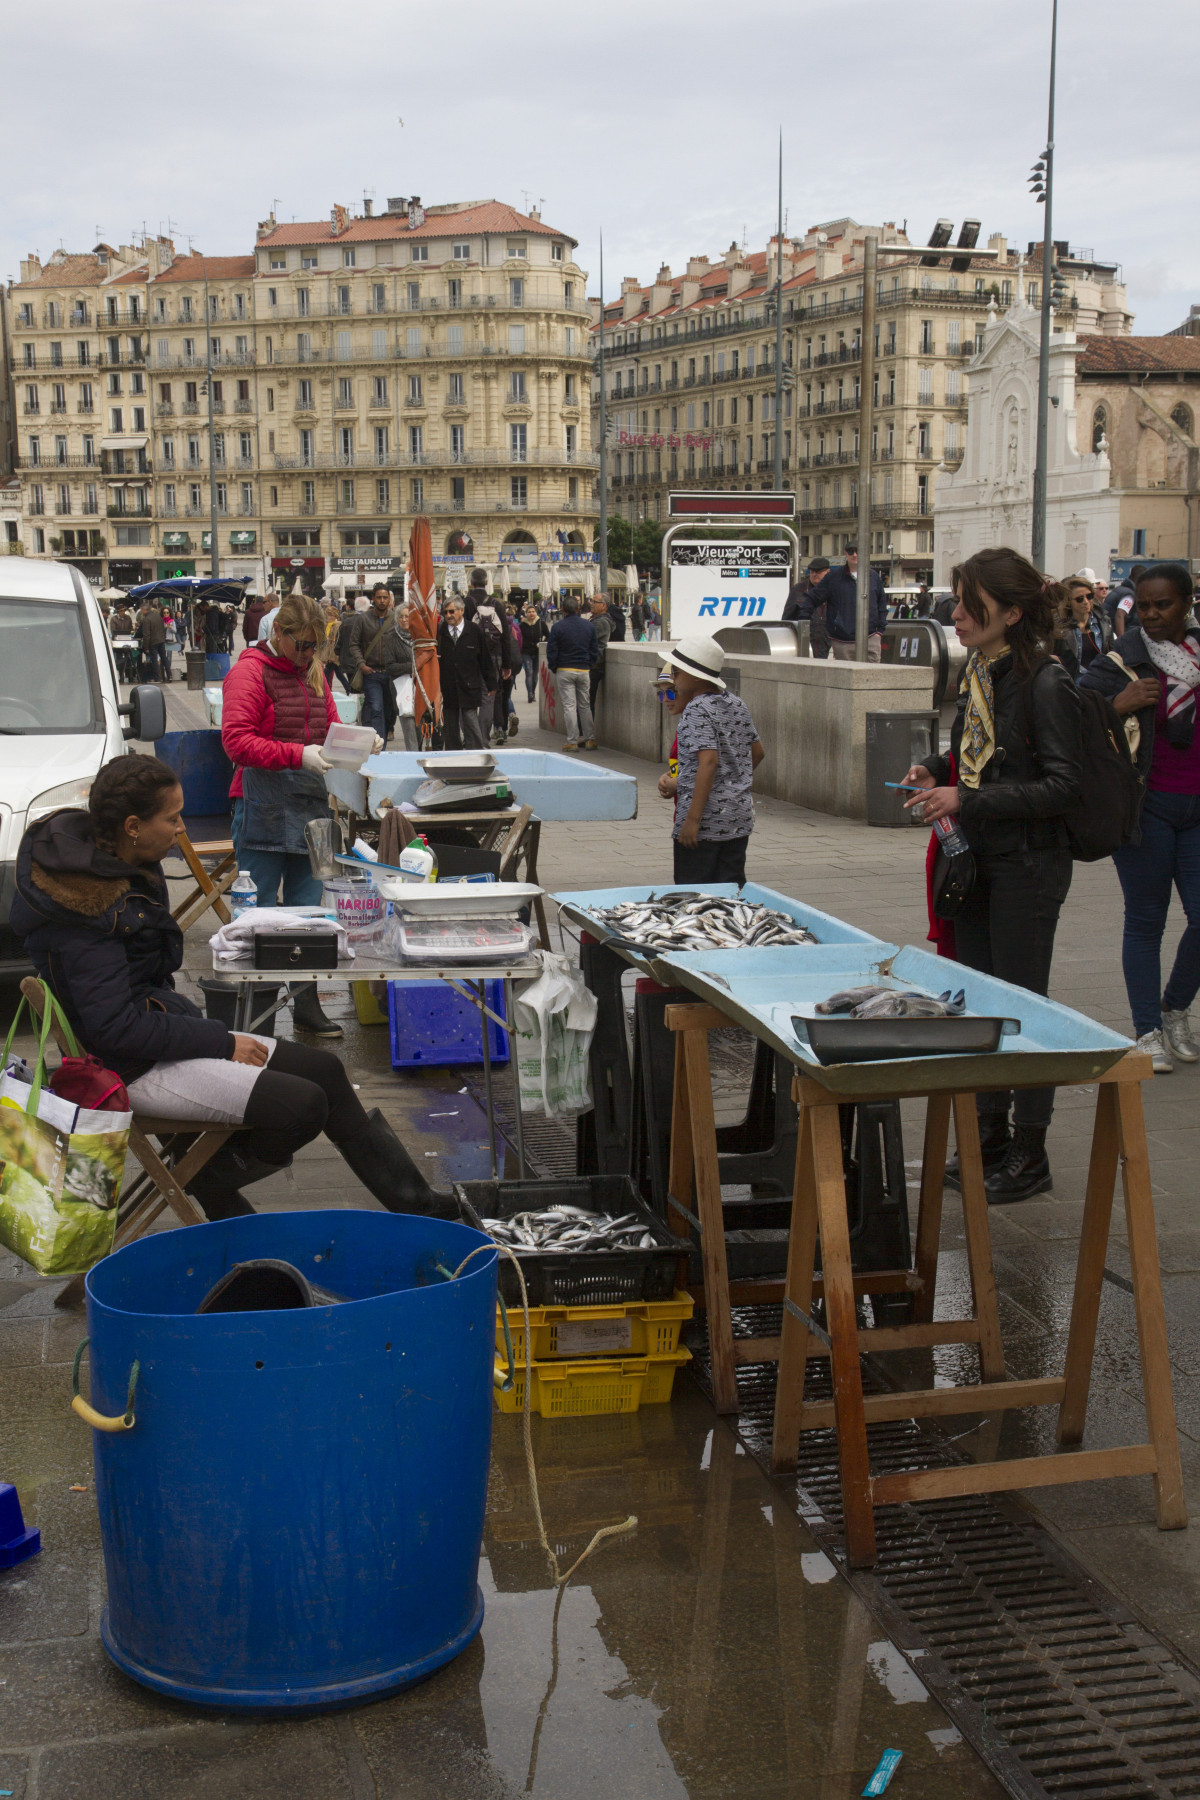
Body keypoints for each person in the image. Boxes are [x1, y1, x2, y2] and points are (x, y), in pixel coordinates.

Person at [9, 757, 438, 1222]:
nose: (181, 829)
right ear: (133, 826)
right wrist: (222, 1041)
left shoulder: (122, 864)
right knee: (302, 1106)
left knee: (327, 1072)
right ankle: (201, 1178)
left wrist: (204, 1034)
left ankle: (421, 1208)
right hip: (127, 1067)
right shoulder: (87, 910)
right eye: (172, 818)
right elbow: (117, 1030)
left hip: (159, 1034)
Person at [902, 546, 1081, 1205]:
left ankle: (1030, 1154)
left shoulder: (1046, 681)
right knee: (976, 1002)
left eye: (969, 605)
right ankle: (988, 1142)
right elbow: (980, 757)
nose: (956, 615)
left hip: (1029, 865)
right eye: (956, 601)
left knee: (1023, 1007)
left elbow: (1062, 786)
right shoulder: (983, 672)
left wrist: (966, 799)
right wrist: (936, 769)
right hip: (979, 860)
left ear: (1010, 611)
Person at [222, 591, 374, 1039]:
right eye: (302, 645)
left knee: (310, 913)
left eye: (315, 646)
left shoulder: (312, 671)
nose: (309, 654)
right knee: (260, 914)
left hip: (310, 803)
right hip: (260, 805)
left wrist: (359, 742)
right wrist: (297, 754)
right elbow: (235, 741)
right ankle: (259, 1015)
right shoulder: (248, 672)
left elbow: (328, 726)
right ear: (278, 633)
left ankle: (307, 1005)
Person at [1079, 564, 1200, 1072]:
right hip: (1145, 809)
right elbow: (1070, 721)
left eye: (1162, 604)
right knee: (1146, 921)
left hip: (1197, 811)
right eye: (1143, 605)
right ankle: (1147, 1028)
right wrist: (1117, 705)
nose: (1149, 614)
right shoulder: (1119, 664)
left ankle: (1175, 1007)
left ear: (1186, 605)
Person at [656, 636, 764, 885]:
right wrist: (733, 784)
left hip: (705, 823)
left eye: (676, 671)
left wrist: (692, 820)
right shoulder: (736, 703)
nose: (673, 677)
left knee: (694, 896)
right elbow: (757, 752)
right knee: (731, 893)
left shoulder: (696, 709)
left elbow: (709, 762)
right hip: (738, 818)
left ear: (694, 677)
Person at [796, 545, 886, 661]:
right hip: (843, 641)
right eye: (851, 551)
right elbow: (812, 598)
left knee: (872, 677)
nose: (854, 554)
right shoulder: (834, 577)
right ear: (845, 554)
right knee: (845, 678)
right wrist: (804, 622)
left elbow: (882, 605)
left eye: (858, 551)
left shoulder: (874, 577)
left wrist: (879, 631)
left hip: (870, 638)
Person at [346, 584, 408, 745]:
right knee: (376, 708)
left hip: (392, 673)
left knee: (390, 711)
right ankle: (379, 747)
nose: (382, 601)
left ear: (390, 599)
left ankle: (384, 737)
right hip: (371, 673)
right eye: (379, 597)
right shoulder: (364, 619)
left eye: (385, 597)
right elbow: (353, 644)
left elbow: (405, 640)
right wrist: (361, 664)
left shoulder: (395, 619)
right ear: (373, 598)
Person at [436, 595, 496, 750]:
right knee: (450, 726)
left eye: (451, 611)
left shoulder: (474, 630)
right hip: (448, 687)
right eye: (445, 612)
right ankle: (452, 757)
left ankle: (476, 754)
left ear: (461, 610)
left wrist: (491, 683)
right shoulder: (440, 632)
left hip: (469, 685)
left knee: (470, 722)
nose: (448, 615)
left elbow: (485, 659)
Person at [546, 595, 599, 752]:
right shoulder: (589, 626)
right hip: (583, 669)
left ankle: (572, 740)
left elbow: (552, 650)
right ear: (578, 609)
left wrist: (554, 666)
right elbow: (594, 650)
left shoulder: (558, 627)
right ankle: (589, 739)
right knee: (585, 705)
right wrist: (588, 663)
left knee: (569, 706)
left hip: (565, 669)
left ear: (563, 610)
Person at [790, 557, 833, 657]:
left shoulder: (834, 590)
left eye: (818, 572)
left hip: (828, 643)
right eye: (812, 571)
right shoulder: (798, 590)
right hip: (804, 641)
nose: (814, 575)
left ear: (828, 572)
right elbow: (788, 617)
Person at [588, 595, 612, 733]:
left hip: (594, 666)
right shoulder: (597, 620)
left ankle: (587, 733)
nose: (591, 604)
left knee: (587, 702)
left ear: (603, 606)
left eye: (595, 602)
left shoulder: (601, 623)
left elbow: (587, 639)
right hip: (593, 665)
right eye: (591, 601)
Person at [519, 602, 549, 702]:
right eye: (529, 612)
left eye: (533, 612)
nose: (531, 613)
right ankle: (530, 694)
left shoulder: (541, 623)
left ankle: (533, 692)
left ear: (536, 613)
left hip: (537, 652)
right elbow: (519, 639)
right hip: (526, 652)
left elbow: (549, 636)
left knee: (535, 674)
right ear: (526, 613)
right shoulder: (522, 625)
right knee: (529, 672)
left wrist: (542, 643)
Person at [136, 600, 169, 684]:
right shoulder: (158, 616)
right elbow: (163, 628)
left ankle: (157, 678)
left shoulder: (147, 619)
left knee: (154, 660)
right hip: (161, 640)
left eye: (141, 610)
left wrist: (146, 647)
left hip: (153, 642)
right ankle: (169, 675)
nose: (141, 612)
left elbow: (146, 635)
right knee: (164, 658)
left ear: (144, 610)